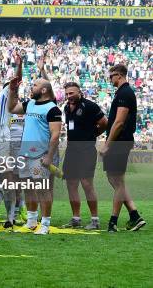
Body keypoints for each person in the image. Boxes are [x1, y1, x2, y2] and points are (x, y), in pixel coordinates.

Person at [8, 77, 62, 235]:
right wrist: (13, 90)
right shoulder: (29, 104)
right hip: (25, 154)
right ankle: (31, 222)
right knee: (29, 188)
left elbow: (55, 135)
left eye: (35, 85)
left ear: (44, 90)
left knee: (42, 190)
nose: (32, 88)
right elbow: (11, 108)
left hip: (41, 154)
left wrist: (49, 157)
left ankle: (45, 224)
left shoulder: (53, 109)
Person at [99, 64, 146, 232]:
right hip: (120, 141)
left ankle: (113, 222)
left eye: (111, 76)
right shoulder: (123, 92)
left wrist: (107, 145)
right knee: (115, 180)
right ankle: (134, 215)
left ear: (118, 75)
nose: (109, 79)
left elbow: (119, 122)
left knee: (117, 181)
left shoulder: (125, 93)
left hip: (119, 142)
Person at [61, 82, 107, 230]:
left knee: (87, 184)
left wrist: (92, 135)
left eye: (72, 93)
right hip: (71, 151)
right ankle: (76, 218)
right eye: (67, 94)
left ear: (79, 92)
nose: (69, 96)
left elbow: (104, 123)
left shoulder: (90, 106)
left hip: (87, 150)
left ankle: (95, 220)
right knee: (71, 184)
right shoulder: (66, 108)